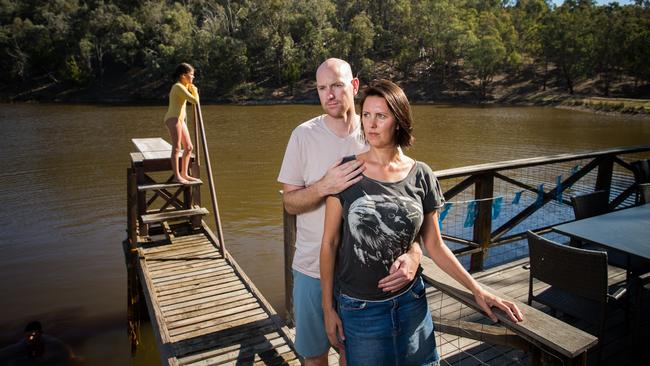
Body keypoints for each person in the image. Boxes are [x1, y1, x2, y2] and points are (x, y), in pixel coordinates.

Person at [320, 79, 524, 365]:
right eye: (366, 114)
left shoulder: (422, 175)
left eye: (381, 115)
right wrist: (328, 309)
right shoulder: (346, 170)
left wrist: (478, 290)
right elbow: (329, 244)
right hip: (360, 308)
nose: (371, 124)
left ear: (399, 121)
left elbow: (434, 244)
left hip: (411, 303)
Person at [278, 59, 425, 366]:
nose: (329, 94)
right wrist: (323, 187)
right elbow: (289, 203)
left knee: (353, 356)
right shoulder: (302, 136)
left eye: (337, 85)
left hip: (364, 278)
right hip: (312, 270)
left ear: (354, 86)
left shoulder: (377, 128)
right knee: (315, 356)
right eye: (321, 88)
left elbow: (406, 207)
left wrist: (414, 254)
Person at [164, 62, 201, 184]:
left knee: (189, 147)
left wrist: (190, 88)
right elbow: (194, 100)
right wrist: (194, 90)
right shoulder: (178, 87)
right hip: (173, 118)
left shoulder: (184, 87)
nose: (193, 77)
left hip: (180, 119)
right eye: (191, 75)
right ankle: (177, 176)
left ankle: (184, 174)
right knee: (177, 148)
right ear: (183, 75)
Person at [0, 321, 78, 365]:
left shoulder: (52, 344)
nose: (30, 337)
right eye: (28, 335)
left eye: (33, 334)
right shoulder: (24, 343)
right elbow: (14, 349)